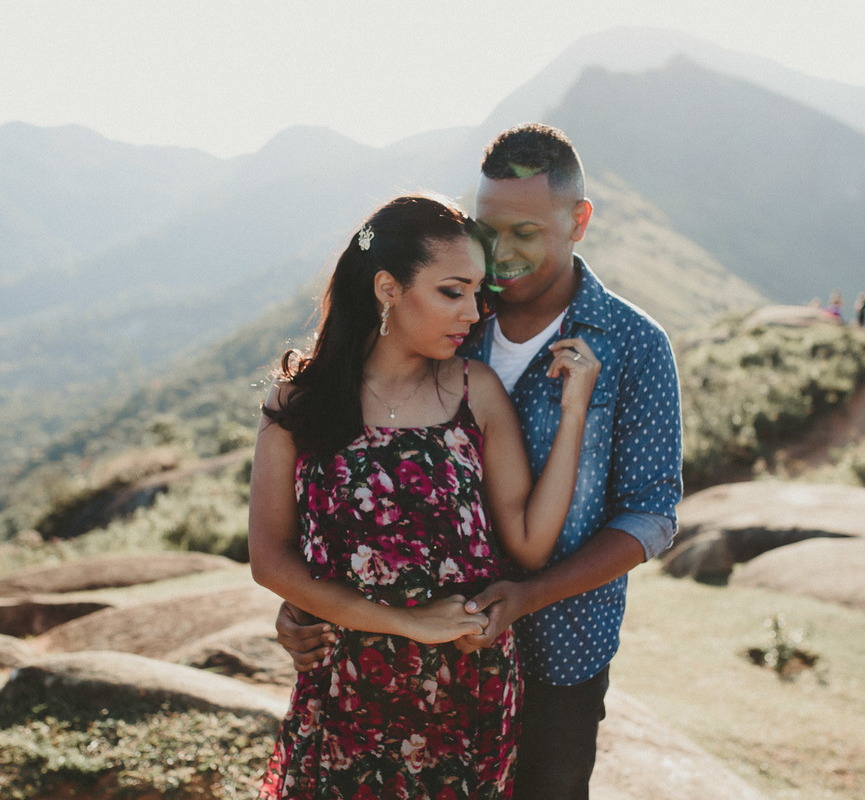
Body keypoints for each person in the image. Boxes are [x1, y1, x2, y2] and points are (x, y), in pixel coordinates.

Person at [277, 124, 684, 800]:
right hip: (416, 659)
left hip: (561, 653)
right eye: (491, 231)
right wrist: (309, 601)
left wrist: (528, 596)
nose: (504, 256)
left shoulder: (636, 346)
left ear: (579, 221)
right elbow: (361, 469)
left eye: (528, 232)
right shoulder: (448, 314)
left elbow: (652, 516)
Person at [248, 193, 600, 799]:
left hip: (469, 688)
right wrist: (409, 625)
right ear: (388, 288)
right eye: (452, 291)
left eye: (477, 291)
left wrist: (575, 412)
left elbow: (531, 543)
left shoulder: (475, 390)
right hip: (348, 688)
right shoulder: (298, 403)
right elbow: (270, 560)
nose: (474, 311)